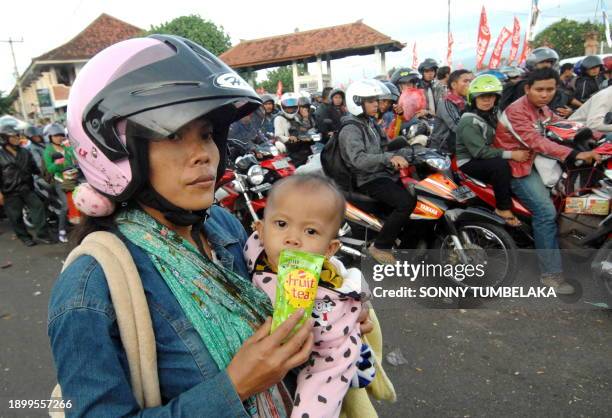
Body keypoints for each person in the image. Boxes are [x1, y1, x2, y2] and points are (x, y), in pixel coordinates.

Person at [49, 35, 326, 417]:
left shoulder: (223, 226)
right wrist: (236, 386)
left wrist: (335, 313)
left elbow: (275, 298)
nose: (203, 155)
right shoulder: (91, 286)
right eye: (173, 135)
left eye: (206, 135)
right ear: (112, 150)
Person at [245, 174, 372, 418]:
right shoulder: (255, 251)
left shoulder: (331, 298)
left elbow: (331, 363)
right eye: (281, 224)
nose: (292, 238)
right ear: (260, 230)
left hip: (329, 353)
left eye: (311, 230)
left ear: (329, 249)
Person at [495, 68, 601, 294]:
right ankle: (550, 274)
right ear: (527, 89)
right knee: (546, 213)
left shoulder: (542, 108)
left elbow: (561, 126)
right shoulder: (517, 111)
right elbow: (535, 142)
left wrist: (598, 138)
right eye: (539, 89)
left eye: (550, 89)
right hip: (520, 167)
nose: (545, 94)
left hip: (542, 163)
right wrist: (574, 154)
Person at [337, 79, 417, 264]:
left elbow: (385, 147)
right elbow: (358, 160)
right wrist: (388, 158)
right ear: (357, 102)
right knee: (406, 203)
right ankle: (380, 246)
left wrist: (409, 152)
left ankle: (406, 248)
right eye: (371, 101)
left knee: (418, 196)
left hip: (382, 172)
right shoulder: (350, 129)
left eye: (376, 100)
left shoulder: (369, 123)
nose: (376, 104)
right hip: (368, 178)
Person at [455, 75, 529, 227]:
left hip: (488, 152)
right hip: (469, 160)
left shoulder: (494, 113)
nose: (487, 100)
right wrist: (512, 154)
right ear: (473, 98)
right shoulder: (469, 120)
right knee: (500, 165)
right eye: (482, 97)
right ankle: (503, 208)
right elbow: (480, 152)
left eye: (491, 96)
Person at [0, 125, 53, 246]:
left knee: (38, 207)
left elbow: (34, 167)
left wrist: (46, 176)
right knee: (16, 216)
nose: (17, 138)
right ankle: (24, 237)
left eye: (17, 135)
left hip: (27, 187)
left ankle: (43, 235)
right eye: (13, 136)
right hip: (10, 191)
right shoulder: (1, 154)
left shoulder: (24, 152)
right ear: (4, 138)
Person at [499, 47, 573, 118]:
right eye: (543, 62)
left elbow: (556, 103)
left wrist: (569, 111)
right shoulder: (524, 84)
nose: (547, 65)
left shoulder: (551, 82)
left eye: (549, 62)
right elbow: (525, 112)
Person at [43, 123, 77, 243]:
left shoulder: (65, 146)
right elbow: (50, 169)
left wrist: (69, 149)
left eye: (61, 135)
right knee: (66, 205)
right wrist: (57, 163)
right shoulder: (48, 151)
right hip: (60, 181)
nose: (59, 137)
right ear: (50, 137)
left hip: (73, 178)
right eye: (56, 135)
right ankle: (61, 231)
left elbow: (74, 160)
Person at [429, 69, 473, 154]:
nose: (469, 84)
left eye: (470, 81)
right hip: (443, 150)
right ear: (453, 85)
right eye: (465, 81)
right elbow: (457, 126)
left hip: (458, 145)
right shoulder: (446, 102)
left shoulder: (465, 100)